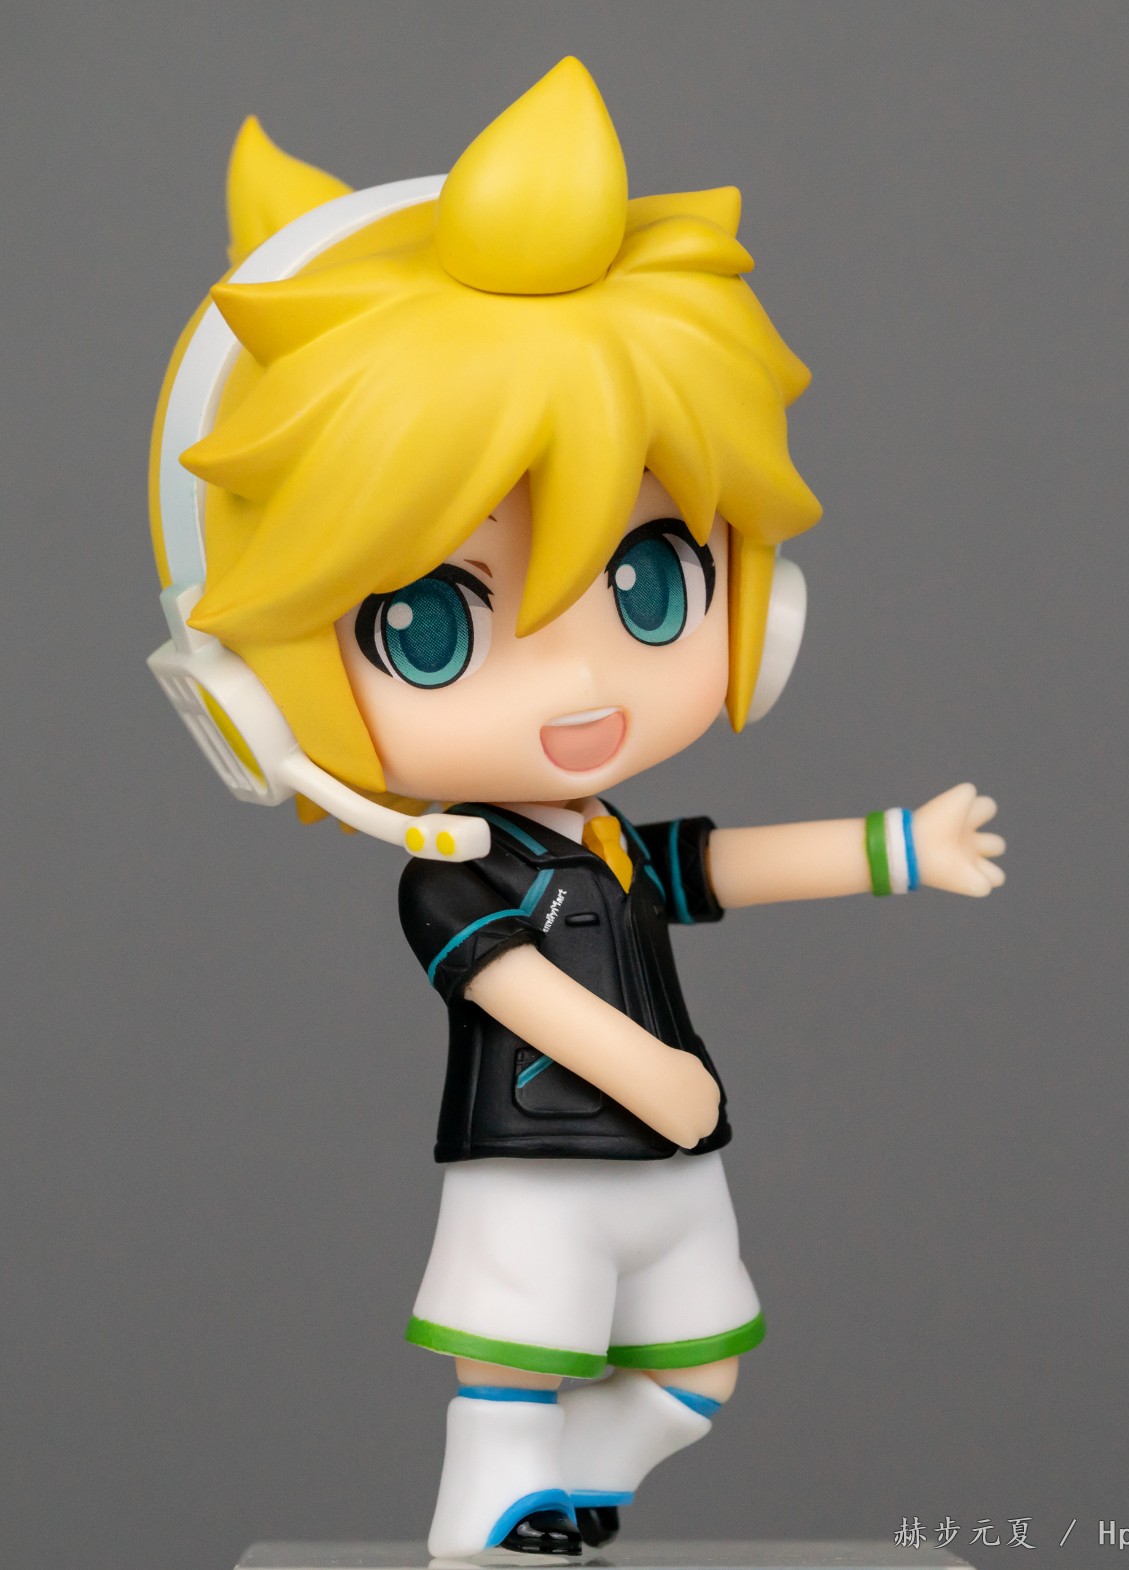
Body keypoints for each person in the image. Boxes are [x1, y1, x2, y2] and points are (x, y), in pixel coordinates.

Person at [150, 57, 1004, 1561]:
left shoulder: (604, 841)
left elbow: (714, 865)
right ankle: (487, 1510)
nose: (583, 681)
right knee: (509, 1385)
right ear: (254, 701)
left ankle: (558, 1495)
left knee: (696, 1381)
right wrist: (652, 1074)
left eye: (652, 580)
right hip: (540, 1165)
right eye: (434, 624)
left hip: (670, 1165)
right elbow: (515, 986)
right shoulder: (448, 871)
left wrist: (894, 849)